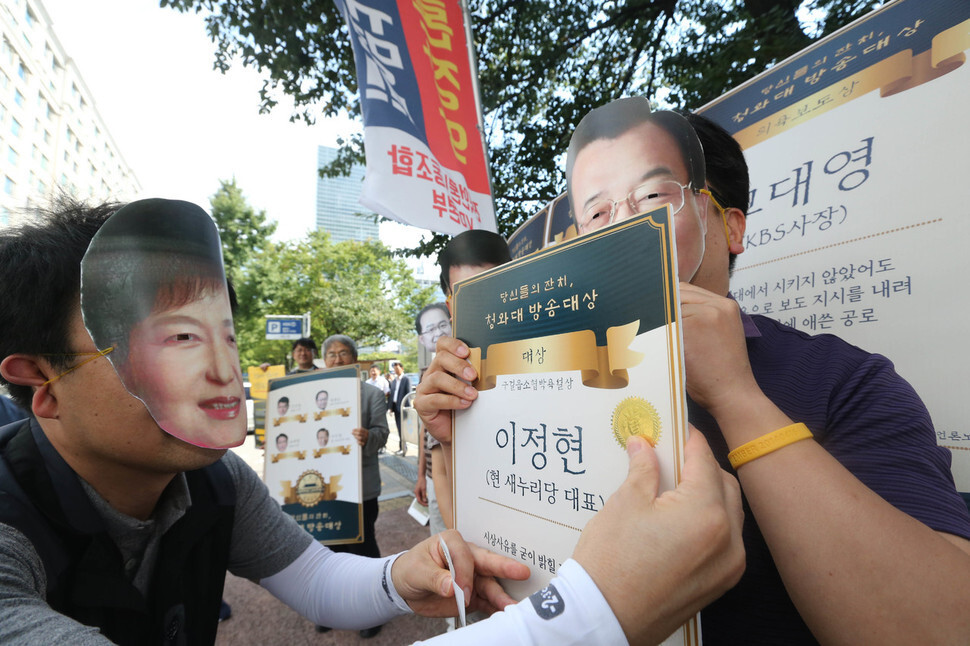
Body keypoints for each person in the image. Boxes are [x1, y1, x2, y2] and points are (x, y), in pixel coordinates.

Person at [0, 197, 748, 646]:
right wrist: (591, 614)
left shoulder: (215, 483)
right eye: (176, 340)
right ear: (42, 384)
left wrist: (400, 575)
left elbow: (317, 575)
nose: (223, 371)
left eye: (224, 332)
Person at [419, 96, 970, 644]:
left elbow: (940, 625)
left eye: (653, 195)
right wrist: (467, 433)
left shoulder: (845, 381)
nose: (623, 226)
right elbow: (493, 564)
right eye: (597, 212)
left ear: (730, 227)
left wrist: (736, 395)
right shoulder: (537, 374)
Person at [78, 198, 247, 450]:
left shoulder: (228, 483)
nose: (224, 373)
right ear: (40, 377)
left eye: (230, 337)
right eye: (183, 337)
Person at [319, 334, 391, 638]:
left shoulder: (371, 394)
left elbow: (382, 433)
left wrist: (367, 437)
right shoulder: (313, 394)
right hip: (322, 487)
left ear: (355, 358)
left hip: (360, 486)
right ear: (325, 360)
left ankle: (372, 609)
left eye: (344, 353)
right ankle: (333, 607)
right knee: (328, 551)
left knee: (362, 548)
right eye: (332, 354)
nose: (337, 359)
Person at [388, 361, 411, 455]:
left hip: (403, 408)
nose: (396, 370)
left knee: (403, 429)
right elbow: (392, 394)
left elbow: (408, 394)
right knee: (398, 428)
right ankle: (401, 447)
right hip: (395, 407)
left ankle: (403, 448)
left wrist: (408, 408)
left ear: (402, 369)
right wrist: (390, 407)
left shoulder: (406, 379)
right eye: (395, 369)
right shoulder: (394, 380)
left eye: (397, 368)